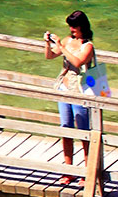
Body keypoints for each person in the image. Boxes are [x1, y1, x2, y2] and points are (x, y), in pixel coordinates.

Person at [42, 10, 110, 177]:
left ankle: (87, 172)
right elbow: (49, 56)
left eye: (74, 26)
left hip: (80, 91)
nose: (71, 29)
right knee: (66, 129)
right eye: (70, 26)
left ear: (82, 26)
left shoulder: (88, 46)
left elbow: (78, 62)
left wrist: (62, 47)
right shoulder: (67, 41)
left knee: (83, 131)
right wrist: (47, 44)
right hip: (64, 89)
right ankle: (68, 170)